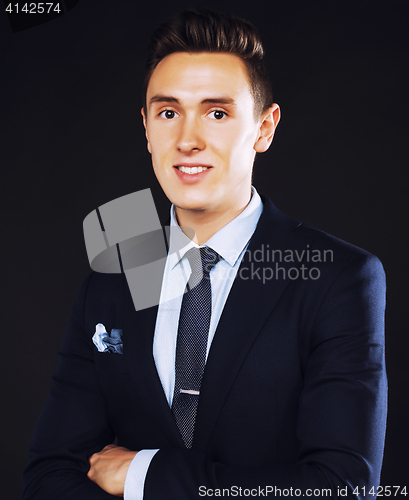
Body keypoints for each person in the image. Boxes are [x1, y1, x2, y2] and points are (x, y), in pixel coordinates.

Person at [22, 9, 387, 500]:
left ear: (264, 128)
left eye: (217, 113)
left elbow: (339, 487)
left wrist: (143, 476)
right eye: (168, 112)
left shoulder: (341, 278)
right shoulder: (114, 276)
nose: (188, 141)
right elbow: (49, 476)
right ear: (148, 129)